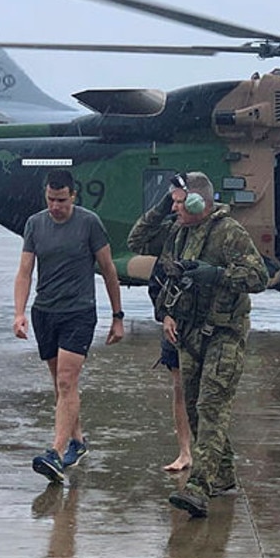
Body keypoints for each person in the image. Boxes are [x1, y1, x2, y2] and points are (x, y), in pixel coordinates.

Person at [154, 172, 269, 518]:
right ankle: (224, 476)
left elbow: (259, 276)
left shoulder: (229, 233)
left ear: (197, 203)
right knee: (194, 407)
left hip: (225, 334)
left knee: (211, 407)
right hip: (190, 334)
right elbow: (168, 276)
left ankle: (199, 487)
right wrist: (168, 314)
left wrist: (217, 275)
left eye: (179, 202)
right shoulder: (179, 233)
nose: (174, 208)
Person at [14, 169, 124, 483]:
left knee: (66, 382)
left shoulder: (89, 223)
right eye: (51, 199)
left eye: (62, 200)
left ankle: (56, 453)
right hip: (45, 312)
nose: (56, 206)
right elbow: (24, 272)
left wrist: (118, 316)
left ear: (73, 196)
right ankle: (78, 441)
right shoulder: (35, 224)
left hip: (79, 311)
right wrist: (19, 313)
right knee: (60, 385)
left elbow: (108, 268)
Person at [127, 188, 192, 472]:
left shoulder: (219, 231)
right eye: (174, 202)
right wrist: (163, 203)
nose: (176, 207)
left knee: (207, 392)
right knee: (180, 387)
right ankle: (185, 452)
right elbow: (136, 239)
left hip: (206, 322)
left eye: (181, 202)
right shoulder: (170, 233)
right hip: (173, 320)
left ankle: (211, 453)